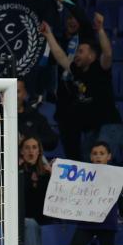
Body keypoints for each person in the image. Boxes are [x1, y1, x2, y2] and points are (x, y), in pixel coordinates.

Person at [44, 13, 122, 160]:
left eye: (80, 52)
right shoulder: (77, 70)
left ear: (91, 56)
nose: (76, 55)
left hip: (109, 125)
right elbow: (61, 57)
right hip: (92, 129)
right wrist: (48, 35)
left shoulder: (101, 69)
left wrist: (100, 30)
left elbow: (108, 53)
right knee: (87, 164)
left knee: (102, 159)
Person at [69, 142, 119, 245]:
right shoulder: (82, 174)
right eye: (95, 153)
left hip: (107, 224)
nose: (98, 156)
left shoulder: (118, 175)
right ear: (91, 157)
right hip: (86, 222)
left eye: (102, 153)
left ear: (109, 156)